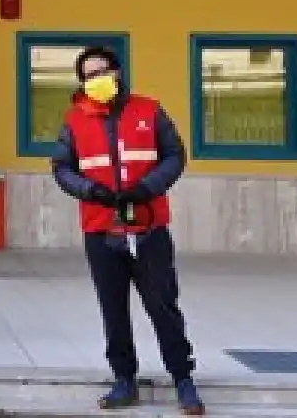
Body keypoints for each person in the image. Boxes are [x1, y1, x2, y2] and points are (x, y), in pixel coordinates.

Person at [52, 45, 204, 416]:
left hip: (149, 227)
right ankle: (124, 380)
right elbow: (62, 169)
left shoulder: (149, 111)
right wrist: (92, 191)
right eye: (88, 75)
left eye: (102, 71)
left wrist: (147, 188)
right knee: (113, 309)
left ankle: (183, 379)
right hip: (102, 231)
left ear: (118, 72)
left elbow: (174, 155)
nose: (96, 79)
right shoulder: (74, 121)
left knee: (163, 305)